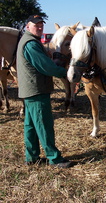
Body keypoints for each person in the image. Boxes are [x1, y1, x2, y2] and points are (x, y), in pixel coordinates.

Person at [16, 15, 74, 168]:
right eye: (36, 25)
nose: (40, 28)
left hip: (30, 90)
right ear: (28, 26)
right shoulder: (31, 44)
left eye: (41, 25)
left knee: (31, 125)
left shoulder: (30, 41)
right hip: (36, 90)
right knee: (43, 124)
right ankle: (54, 158)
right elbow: (46, 67)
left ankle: (32, 157)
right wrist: (65, 73)